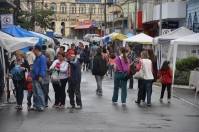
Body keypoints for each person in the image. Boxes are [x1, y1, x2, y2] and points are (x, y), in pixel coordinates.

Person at [32, 45, 47, 111]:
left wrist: (41, 76)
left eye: (34, 49)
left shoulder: (42, 57)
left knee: (39, 92)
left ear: (37, 50)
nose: (33, 51)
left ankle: (41, 105)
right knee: (35, 92)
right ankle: (36, 105)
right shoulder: (37, 57)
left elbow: (43, 68)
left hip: (38, 77)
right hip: (35, 76)